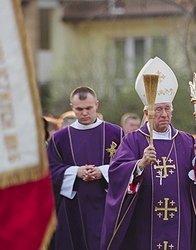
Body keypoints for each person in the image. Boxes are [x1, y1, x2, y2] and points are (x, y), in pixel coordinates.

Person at [100, 57, 196, 250]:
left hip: (180, 218)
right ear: (148, 112)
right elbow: (116, 173)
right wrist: (139, 165)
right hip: (144, 218)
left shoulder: (187, 141)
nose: (164, 114)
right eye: (159, 109)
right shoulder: (134, 140)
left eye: (167, 109)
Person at [47, 86, 124, 250]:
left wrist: (102, 171)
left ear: (96, 104)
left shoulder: (115, 133)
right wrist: (76, 172)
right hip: (72, 208)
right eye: (79, 109)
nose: (84, 113)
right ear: (71, 108)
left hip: (107, 205)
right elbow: (50, 170)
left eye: (89, 108)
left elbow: (126, 165)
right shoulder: (60, 138)